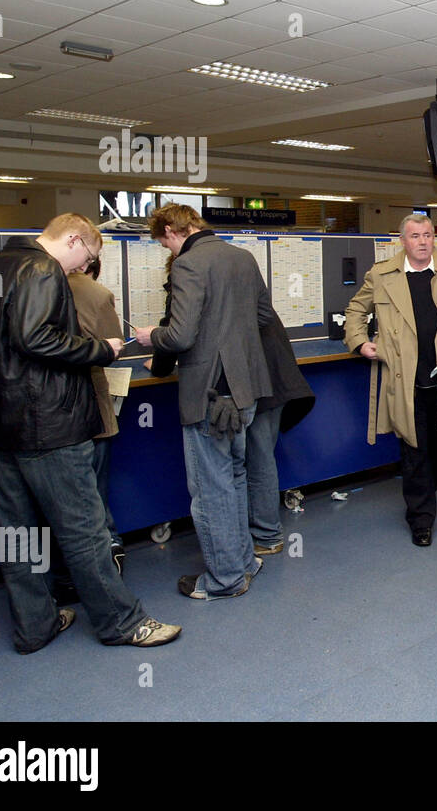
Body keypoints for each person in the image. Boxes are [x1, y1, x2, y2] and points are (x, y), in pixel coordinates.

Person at [0, 213, 179, 651]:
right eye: (87, 257)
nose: (81, 268)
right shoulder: (41, 269)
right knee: (84, 529)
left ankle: (35, 625)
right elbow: (35, 338)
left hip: (1, 424)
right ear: (73, 239)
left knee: (19, 531)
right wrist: (101, 349)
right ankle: (122, 624)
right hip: (50, 422)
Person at [135, 204, 274, 598]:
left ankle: (225, 579)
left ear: (170, 231)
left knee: (210, 489)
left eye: (164, 243)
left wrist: (151, 337)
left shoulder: (189, 264)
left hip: (210, 395)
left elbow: (178, 337)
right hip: (244, 390)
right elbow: (264, 317)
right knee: (234, 477)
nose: (167, 251)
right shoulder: (243, 257)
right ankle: (245, 562)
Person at [343, 214, 437, 546]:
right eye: (415, 236)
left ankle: (426, 493)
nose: (422, 241)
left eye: (428, 235)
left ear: (435, 239)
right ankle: (421, 519)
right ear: (402, 241)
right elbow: (354, 312)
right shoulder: (382, 275)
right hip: (404, 380)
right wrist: (360, 342)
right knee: (413, 447)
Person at [66, 252, 128, 574]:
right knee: (95, 492)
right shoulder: (97, 294)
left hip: (52, 416)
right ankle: (108, 556)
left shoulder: (33, 288)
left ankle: (72, 572)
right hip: (90, 401)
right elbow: (112, 351)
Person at [246, 313, 316, 556]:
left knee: (259, 461)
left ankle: (266, 536)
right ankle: (264, 532)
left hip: (257, 384)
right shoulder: (249, 285)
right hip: (274, 380)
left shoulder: (205, 285)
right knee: (262, 458)